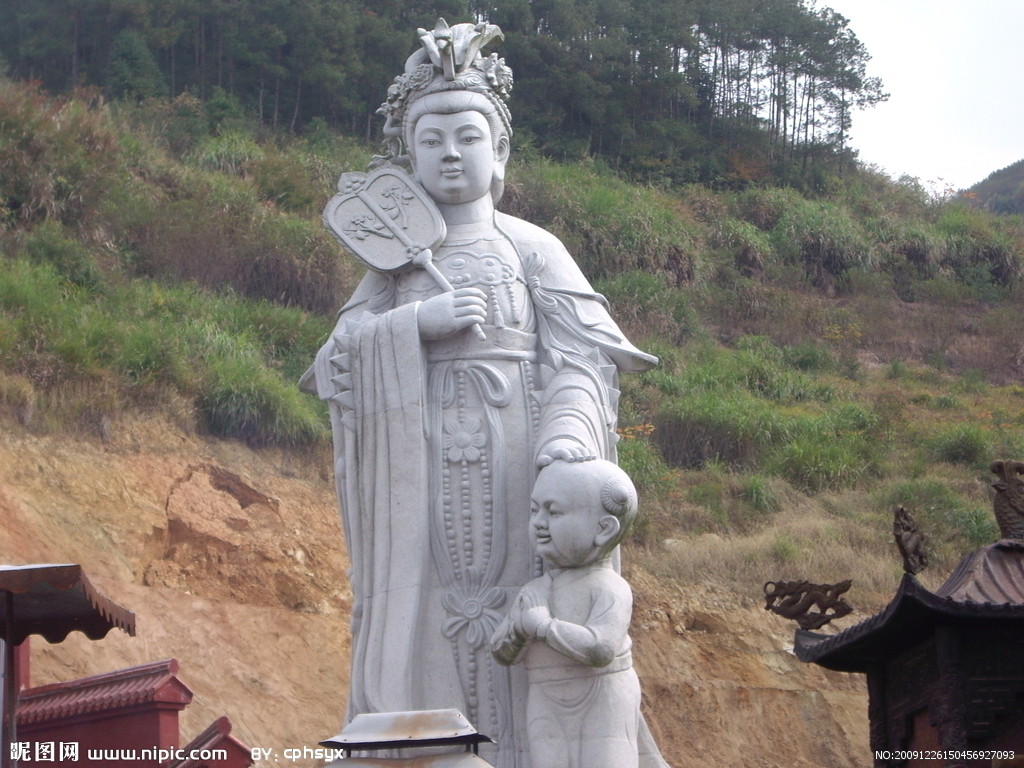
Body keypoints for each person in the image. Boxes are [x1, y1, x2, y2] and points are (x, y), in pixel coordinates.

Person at [304, 20, 659, 768]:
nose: (450, 153)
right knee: (429, 613)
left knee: (520, 607)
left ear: (500, 153)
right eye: (430, 140)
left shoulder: (531, 248)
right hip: (422, 480)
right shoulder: (393, 272)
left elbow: (584, 360)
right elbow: (337, 361)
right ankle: (425, 744)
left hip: (519, 475)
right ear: (408, 157)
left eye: (467, 136)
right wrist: (415, 325)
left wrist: (567, 440)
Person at [491, 460, 643, 768]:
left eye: (554, 512)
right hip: (545, 698)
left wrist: (545, 627)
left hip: (603, 694)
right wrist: (520, 630)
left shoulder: (609, 587)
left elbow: (601, 648)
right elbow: (500, 651)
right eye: (535, 511)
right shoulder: (535, 590)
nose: (539, 523)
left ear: (604, 529)